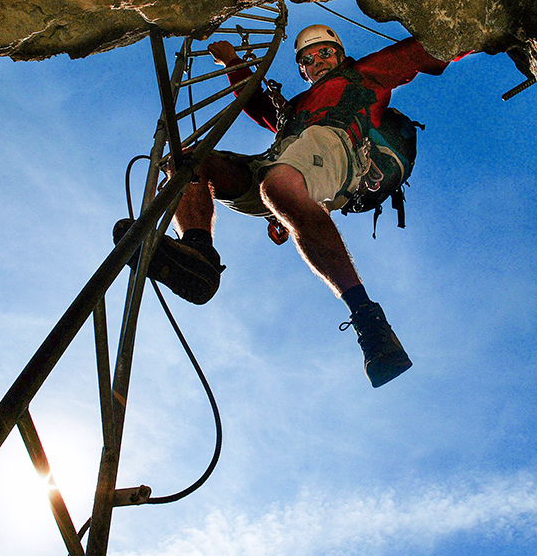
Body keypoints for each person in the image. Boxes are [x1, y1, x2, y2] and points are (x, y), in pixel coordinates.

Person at [117, 24, 453, 387]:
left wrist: (485, 27)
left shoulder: (365, 73)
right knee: (188, 161)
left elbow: (428, 47)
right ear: (303, 71)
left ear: (340, 55)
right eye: (308, 59)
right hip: (276, 161)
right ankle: (199, 256)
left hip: (337, 145)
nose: (318, 61)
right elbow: (256, 102)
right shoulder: (292, 110)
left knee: (279, 184)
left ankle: (368, 318)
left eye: (325, 52)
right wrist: (232, 61)